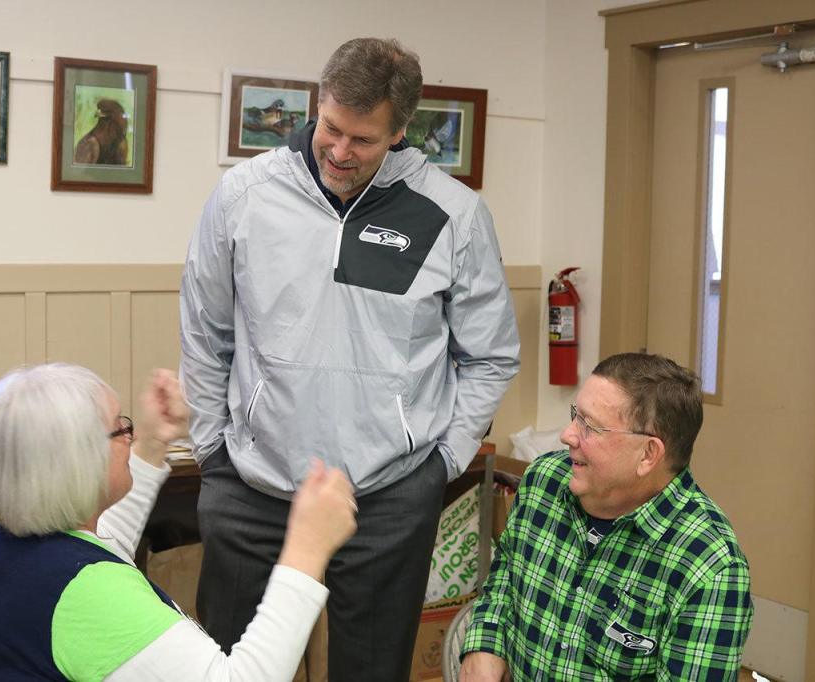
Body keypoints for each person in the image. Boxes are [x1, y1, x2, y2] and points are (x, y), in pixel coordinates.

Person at [180, 37, 519, 681]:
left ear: (399, 132)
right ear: (318, 102)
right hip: (252, 489)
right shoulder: (242, 196)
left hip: (389, 496)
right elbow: (204, 330)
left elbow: (490, 355)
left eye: (362, 140)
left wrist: (441, 463)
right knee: (229, 670)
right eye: (330, 128)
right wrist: (211, 449)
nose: (338, 151)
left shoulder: (455, 215)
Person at [0, 363, 357, 681]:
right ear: (78, 464)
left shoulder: (13, 546)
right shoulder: (87, 596)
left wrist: (152, 440)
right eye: (120, 428)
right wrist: (307, 549)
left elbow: (103, 547)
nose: (128, 437)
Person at [460, 353, 753, 681]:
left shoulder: (710, 567)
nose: (567, 435)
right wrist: (484, 643)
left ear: (648, 454)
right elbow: (504, 580)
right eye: (576, 415)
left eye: (589, 426)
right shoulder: (544, 481)